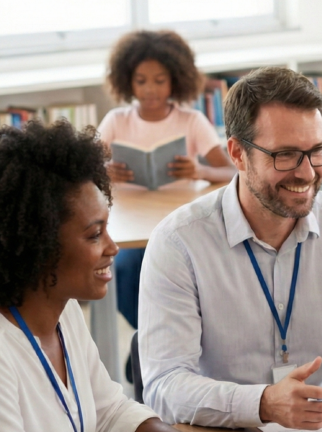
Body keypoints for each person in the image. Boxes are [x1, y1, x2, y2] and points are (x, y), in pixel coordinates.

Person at [0, 121, 263, 432]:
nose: (113, 247)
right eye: (94, 234)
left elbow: (110, 412)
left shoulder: (63, 313)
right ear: (36, 246)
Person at [139, 66, 322, 430]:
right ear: (238, 154)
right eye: (285, 155)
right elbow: (165, 386)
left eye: (316, 151)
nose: (307, 173)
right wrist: (264, 403)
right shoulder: (178, 243)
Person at [98, 30, 236, 381]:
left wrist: (201, 169)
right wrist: (104, 169)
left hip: (179, 220)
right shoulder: (116, 120)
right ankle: (150, 344)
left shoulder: (191, 121)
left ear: (175, 79)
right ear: (127, 80)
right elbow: (85, 168)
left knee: (189, 276)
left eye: (159, 80)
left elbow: (233, 169)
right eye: (141, 81)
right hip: (131, 221)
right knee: (126, 272)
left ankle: (158, 350)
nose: (150, 89)